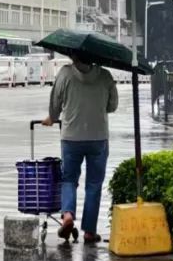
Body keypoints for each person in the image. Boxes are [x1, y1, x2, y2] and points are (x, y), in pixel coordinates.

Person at [41, 53, 118, 244]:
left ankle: (67, 215)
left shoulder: (65, 74)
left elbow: (55, 104)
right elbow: (113, 105)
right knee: (93, 184)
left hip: (71, 137)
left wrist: (52, 117)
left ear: (73, 55)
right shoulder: (105, 76)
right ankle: (90, 231)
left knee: (69, 179)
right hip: (98, 137)